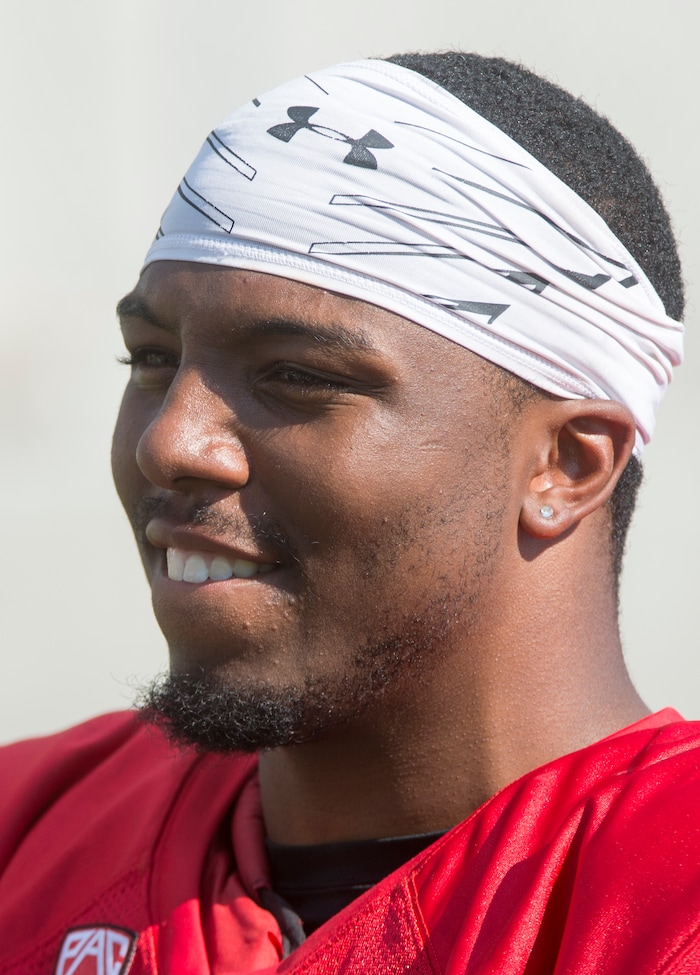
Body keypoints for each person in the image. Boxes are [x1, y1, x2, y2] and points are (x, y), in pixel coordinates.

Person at [0, 50, 696, 975]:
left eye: (297, 375)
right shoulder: (28, 830)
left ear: (565, 463)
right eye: (153, 360)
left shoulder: (665, 904)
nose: (169, 442)